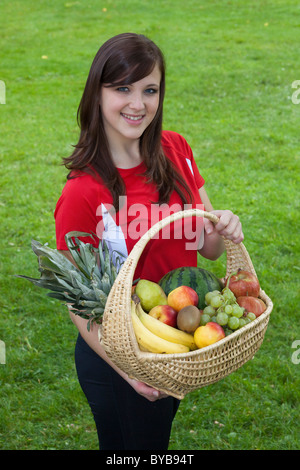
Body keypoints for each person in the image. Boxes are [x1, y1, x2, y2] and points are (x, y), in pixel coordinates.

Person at [54, 33, 244, 450]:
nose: (137, 104)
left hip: (176, 343)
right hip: (118, 354)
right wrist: (129, 372)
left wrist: (223, 225)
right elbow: (76, 301)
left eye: (149, 89)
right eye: (122, 88)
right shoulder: (83, 192)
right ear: (97, 94)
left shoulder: (175, 149)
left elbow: (208, 246)